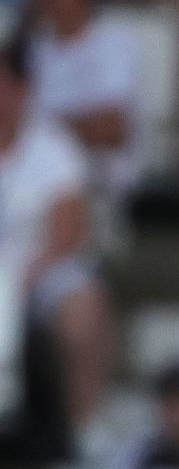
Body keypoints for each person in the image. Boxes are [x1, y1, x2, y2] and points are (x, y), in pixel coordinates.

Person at [0, 38, 107, 441]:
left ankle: (86, 426)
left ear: (23, 89)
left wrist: (24, 276)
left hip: (38, 265)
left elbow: (68, 229)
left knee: (82, 306)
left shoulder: (52, 146)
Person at [26, 0, 146, 208]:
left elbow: (113, 130)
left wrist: (40, 130)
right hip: (36, 171)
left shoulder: (113, 40)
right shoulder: (33, 47)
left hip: (95, 173)